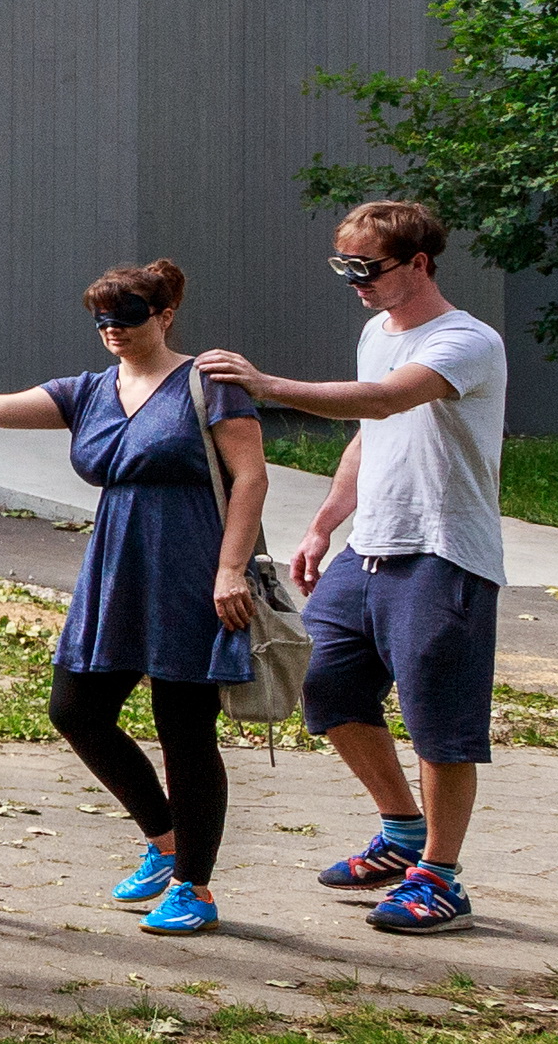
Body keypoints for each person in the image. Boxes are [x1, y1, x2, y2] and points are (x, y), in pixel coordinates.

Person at [196, 198, 508, 936]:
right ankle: (401, 832)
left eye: (366, 267)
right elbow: (371, 434)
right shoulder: (376, 331)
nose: (354, 281)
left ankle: (440, 875)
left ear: (420, 264)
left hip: (444, 553)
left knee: (440, 724)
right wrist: (326, 519)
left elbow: (387, 397)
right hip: (368, 547)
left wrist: (267, 385)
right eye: (345, 265)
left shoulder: (467, 340)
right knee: (327, 687)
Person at [0, 259, 269, 938]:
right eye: (102, 317)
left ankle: (196, 884)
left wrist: (231, 569)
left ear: (165, 314)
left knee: (183, 729)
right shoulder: (90, 389)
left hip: (191, 566)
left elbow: (250, 478)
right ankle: (165, 840)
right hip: (117, 566)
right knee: (75, 708)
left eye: (128, 315)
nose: (112, 329)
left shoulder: (208, 384)